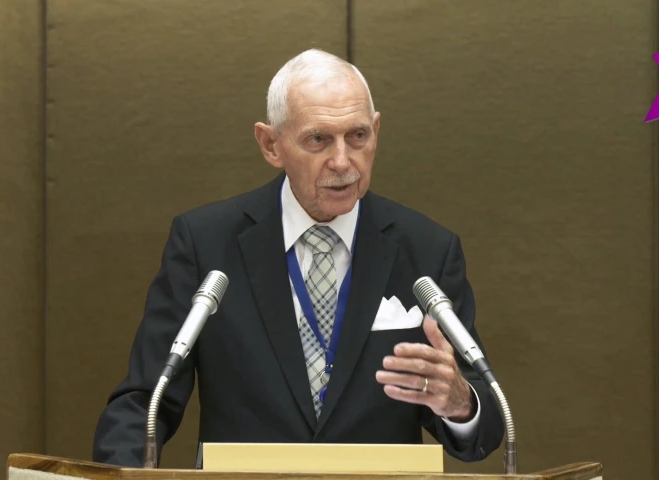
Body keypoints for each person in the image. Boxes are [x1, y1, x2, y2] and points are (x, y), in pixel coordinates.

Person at [92, 49, 504, 467]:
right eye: (318, 139)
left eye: (357, 136)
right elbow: (146, 398)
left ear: (376, 131)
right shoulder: (206, 243)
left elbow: (486, 425)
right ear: (271, 145)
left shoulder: (427, 249)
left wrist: (460, 402)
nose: (342, 161)